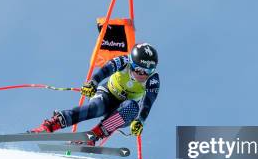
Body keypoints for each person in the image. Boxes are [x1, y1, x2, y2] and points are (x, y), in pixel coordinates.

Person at [29, 43, 160, 145]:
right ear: (131, 63)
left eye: (148, 70)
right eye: (139, 69)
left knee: (132, 107)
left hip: (124, 112)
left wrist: (140, 120)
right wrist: (92, 83)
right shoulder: (123, 61)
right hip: (107, 95)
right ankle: (51, 124)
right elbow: (105, 71)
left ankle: (93, 136)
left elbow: (148, 102)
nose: (142, 75)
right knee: (95, 109)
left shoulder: (153, 79)